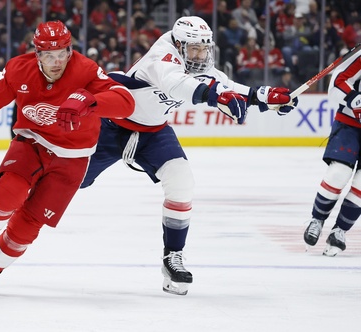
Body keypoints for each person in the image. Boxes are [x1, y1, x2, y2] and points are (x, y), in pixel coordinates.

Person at [80, 16, 298, 296]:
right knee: (70, 181)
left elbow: (225, 85)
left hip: (154, 132)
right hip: (110, 127)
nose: (200, 55)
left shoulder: (198, 62)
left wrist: (265, 97)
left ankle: (173, 256)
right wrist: (217, 97)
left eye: (204, 49)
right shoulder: (161, 57)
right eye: (194, 49)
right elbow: (179, 84)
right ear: (179, 45)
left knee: (182, 181)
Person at [0, 20, 135, 294]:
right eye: (49, 56)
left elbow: (125, 101)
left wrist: (90, 101)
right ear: (37, 54)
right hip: (32, 143)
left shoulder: (86, 70)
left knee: (26, 228)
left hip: (74, 158)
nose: (57, 62)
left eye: (62, 54)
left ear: (70, 50)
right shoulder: (20, 69)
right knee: (8, 193)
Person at [303, 46, 361, 257]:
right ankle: (317, 219)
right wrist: (357, 101)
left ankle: (340, 231)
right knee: (339, 173)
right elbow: (338, 82)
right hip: (350, 124)